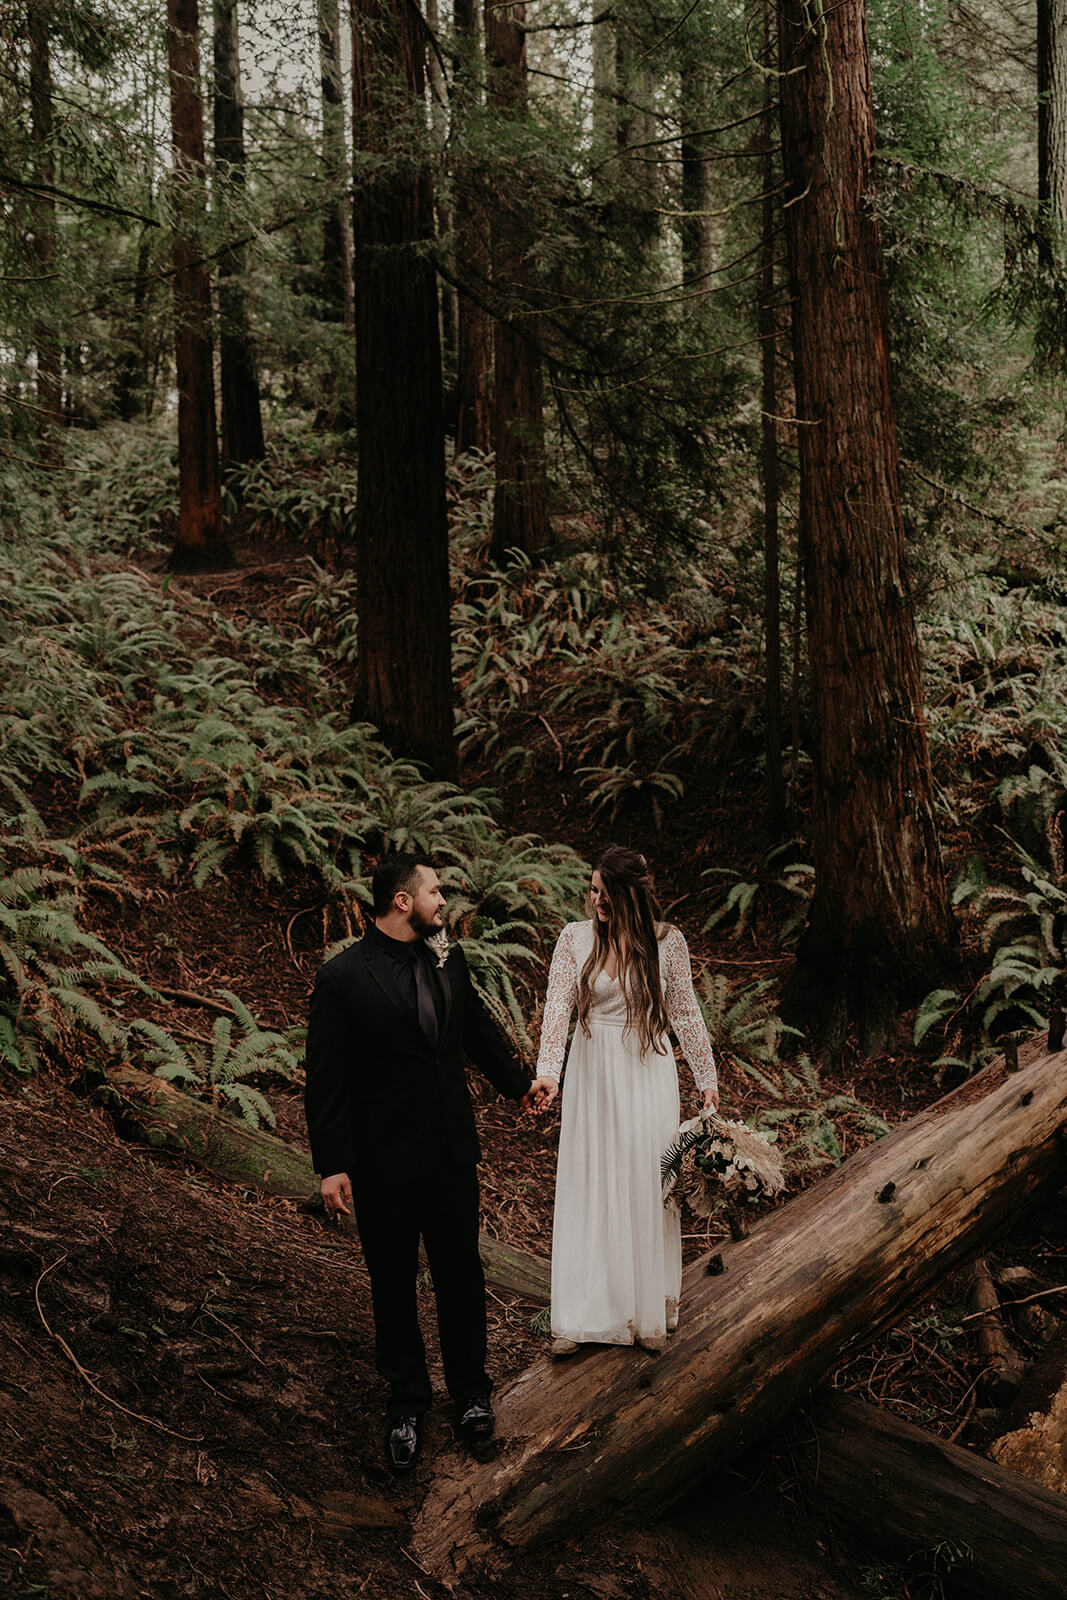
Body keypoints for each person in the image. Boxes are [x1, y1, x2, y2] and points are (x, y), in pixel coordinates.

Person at [304, 853, 531, 1472]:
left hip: (451, 1152)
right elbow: (326, 1081)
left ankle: (471, 1395)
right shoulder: (344, 978)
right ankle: (406, 1400)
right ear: (402, 901)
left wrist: (522, 1084)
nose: (443, 900)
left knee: (461, 1272)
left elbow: (476, 1028)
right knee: (394, 1282)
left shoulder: (447, 954)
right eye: (435, 890)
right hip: (384, 1162)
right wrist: (333, 1164)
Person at [525, 847, 718, 1356]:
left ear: (632, 895)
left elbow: (686, 1012)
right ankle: (579, 1314)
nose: (596, 902)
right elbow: (556, 1011)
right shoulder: (573, 939)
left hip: (646, 1071)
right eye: (592, 891)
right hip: (591, 1074)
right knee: (592, 1179)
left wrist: (707, 1077)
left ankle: (646, 1307)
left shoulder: (666, 944)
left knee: (643, 1179)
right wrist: (548, 1073)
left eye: (606, 895)